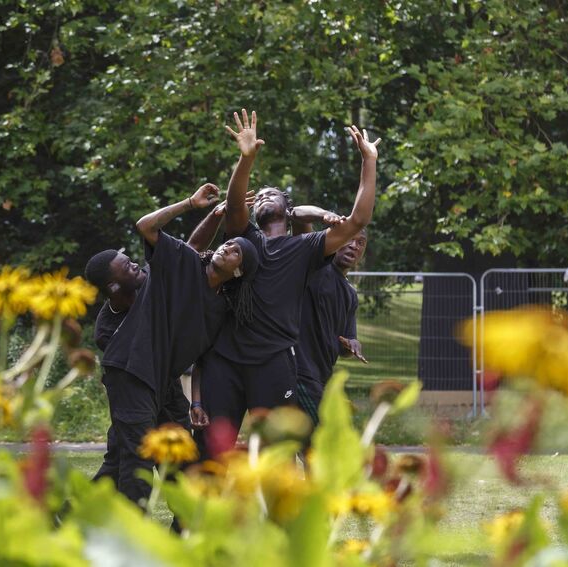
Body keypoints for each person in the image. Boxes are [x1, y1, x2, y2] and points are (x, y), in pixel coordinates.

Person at [196, 109, 380, 457]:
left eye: (273, 193)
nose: (264, 196)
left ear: (288, 208)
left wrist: (368, 161)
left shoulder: (305, 248)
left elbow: (358, 220)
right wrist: (246, 158)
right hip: (226, 360)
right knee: (210, 452)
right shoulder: (244, 239)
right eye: (260, 195)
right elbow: (235, 203)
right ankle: (192, 514)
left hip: (274, 364)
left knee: (277, 455)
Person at [84, 182, 259, 505]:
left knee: (177, 455)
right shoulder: (172, 273)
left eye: (236, 250)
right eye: (227, 243)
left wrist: (196, 402)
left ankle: (182, 527)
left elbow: (206, 355)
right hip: (133, 373)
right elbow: (154, 230)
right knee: (138, 461)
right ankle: (132, 545)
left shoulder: (221, 308)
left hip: (163, 382)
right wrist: (192, 204)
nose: (227, 247)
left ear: (240, 272)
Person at [292, 226, 369, 425]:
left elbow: (346, 342)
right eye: (349, 239)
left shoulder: (350, 295)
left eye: (360, 243)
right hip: (298, 371)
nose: (354, 246)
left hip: (322, 377)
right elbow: (303, 231)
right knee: (321, 445)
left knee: (298, 446)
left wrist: (352, 345)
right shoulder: (314, 269)